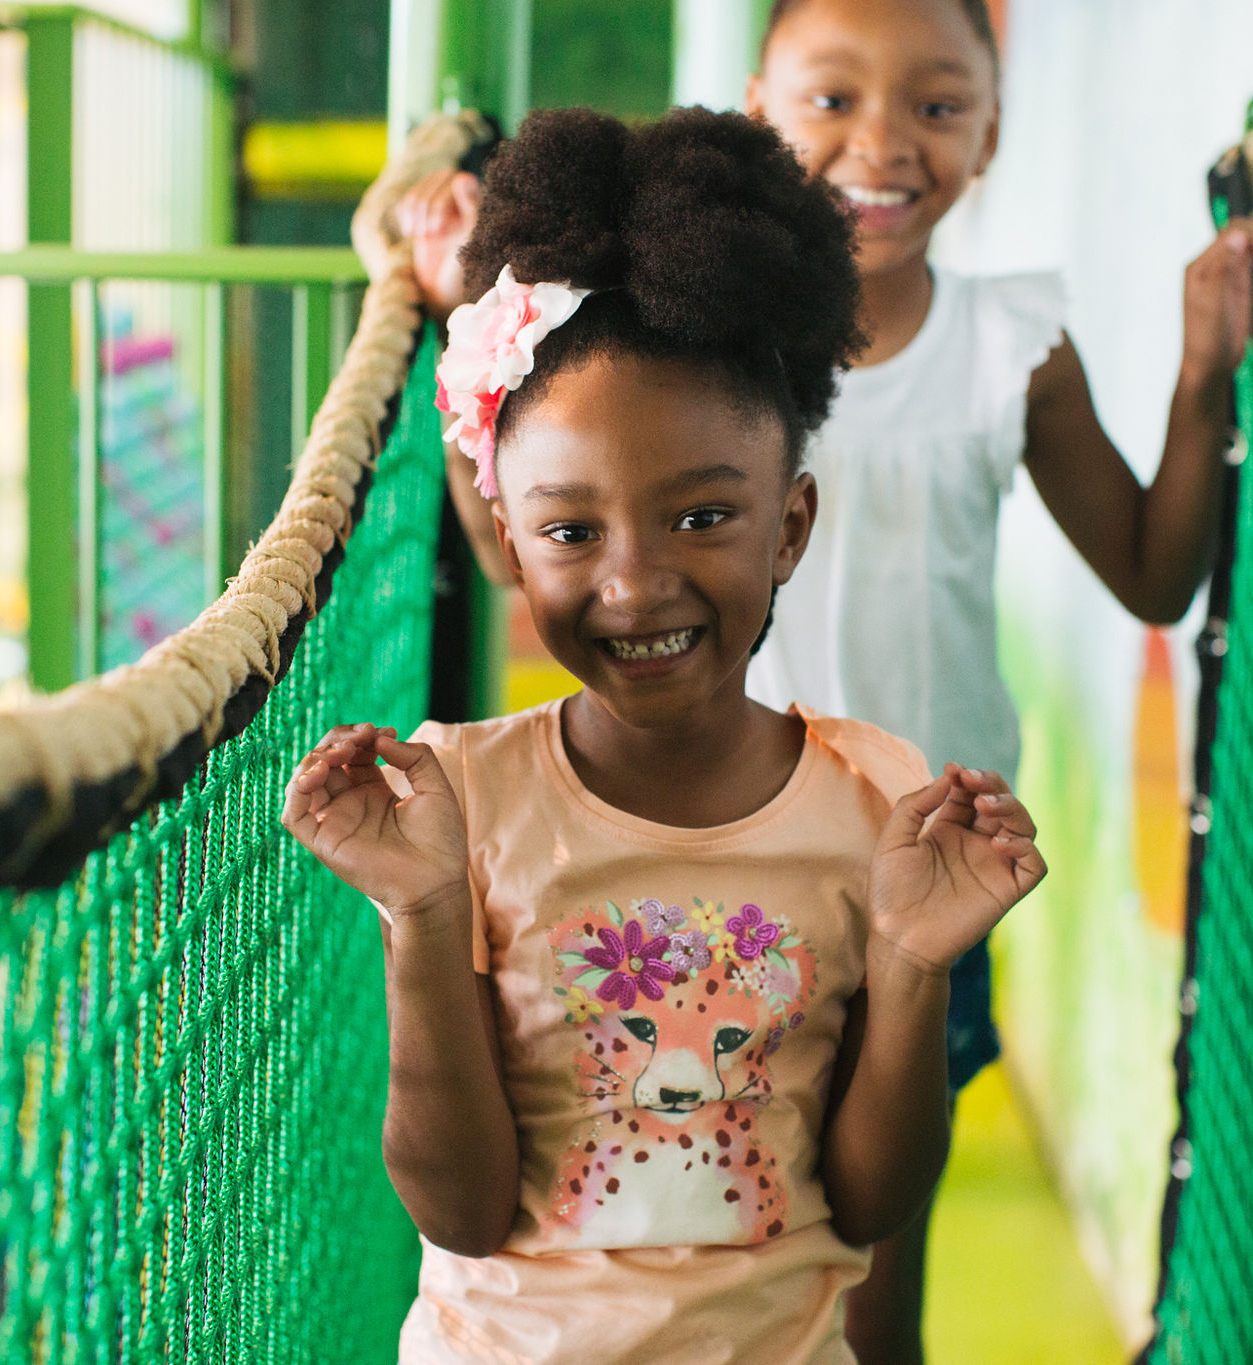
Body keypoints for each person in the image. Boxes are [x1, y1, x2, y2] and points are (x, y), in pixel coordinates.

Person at [397, 3, 1253, 1357]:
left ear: (994, 129)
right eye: (832, 101)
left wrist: (1203, 376)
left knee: (865, 1263)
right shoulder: (666, 361)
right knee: (654, 1206)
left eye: (938, 105)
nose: (881, 143)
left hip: (913, 864)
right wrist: (444, 290)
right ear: (760, 106)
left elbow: (1154, 578)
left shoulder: (1010, 349)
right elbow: (523, 533)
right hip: (682, 858)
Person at [284, 106, 1047, 1363]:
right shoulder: (457, 802)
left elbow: (870, 1202)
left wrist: (916, 968)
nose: (634, 585)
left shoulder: (874, 801)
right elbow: (459, 1211)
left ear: (789, 525)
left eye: (700, 518)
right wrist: (420, 919)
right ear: (511, 542)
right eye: (572, 533)